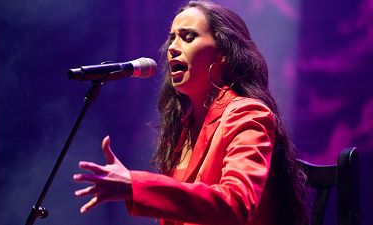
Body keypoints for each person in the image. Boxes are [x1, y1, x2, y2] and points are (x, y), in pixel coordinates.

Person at [73, 1, 307, 225]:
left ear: (223, 54)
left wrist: (136, 184)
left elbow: (236, 203)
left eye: (188, 37)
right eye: (172, 38)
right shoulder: (183, 128)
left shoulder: (247, 114)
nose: (173, 47)